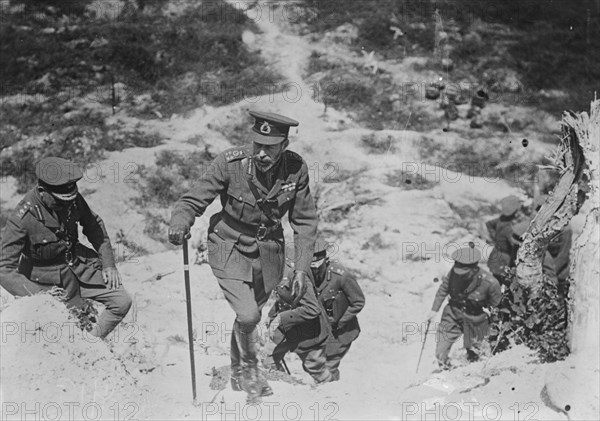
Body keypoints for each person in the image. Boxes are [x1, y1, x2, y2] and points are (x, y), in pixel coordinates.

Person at [168, 110, 318, 400]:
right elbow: (193, 199)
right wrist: (180, 220)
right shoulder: (230, 162)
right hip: (229, 244)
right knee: (248, 314)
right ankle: (250, 372)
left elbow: (305, 221)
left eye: (270, 147)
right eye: (258, 145)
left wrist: (300, 269)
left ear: (284, 146)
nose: (262, 153)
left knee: (251, 315)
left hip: (269, 250)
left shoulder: (295, 168)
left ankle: (237, 372)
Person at [0, 157, 132, 338]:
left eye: (70, 200)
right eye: (61, 202)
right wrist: (37, 296)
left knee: (121, 301)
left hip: (77, 267)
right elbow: (4, 268)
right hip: (44, 281)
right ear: (42, 191)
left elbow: (94, 225)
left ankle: (93, 343)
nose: (68, 205)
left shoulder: (70, 198)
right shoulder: (23, 218)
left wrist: (109, 264)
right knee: (63, 328)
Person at [427, 245, 502, 368]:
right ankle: (446, 371)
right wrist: (434, 310)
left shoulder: (490, 283)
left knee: (475, 355)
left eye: (464, 273)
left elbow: (496, 308)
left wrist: (493, 329)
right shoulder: (454, 272)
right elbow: (443, 289)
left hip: (476, 319)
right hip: (452, 314)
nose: (460, 275)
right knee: (440, 353)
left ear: (474, 268)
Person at [310, 239, 365, 381]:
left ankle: (330, 394)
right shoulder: (305, 275)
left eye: (317, 264)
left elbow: (358, 302)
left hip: (340, 332)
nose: (314, 269)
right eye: (311, 265)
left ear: (326, 259)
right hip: (318, 331)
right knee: (317, 365)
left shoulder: (341, 275)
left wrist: (340, 322)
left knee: (329, 365)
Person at [264, 274, 332, 384]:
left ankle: (331, 392)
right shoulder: (277, 271)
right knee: (269, 358)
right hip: (287, 328)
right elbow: (282, 298)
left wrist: (281, 318)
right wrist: (271, 315)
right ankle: (283, 384)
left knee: (314, 368)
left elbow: (312, 309)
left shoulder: (299, 277)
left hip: (308, 331)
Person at [486, 195, 522, 285]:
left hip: (496, 253)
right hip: (505, 258)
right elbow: (513, 244)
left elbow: (489, 224)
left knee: (496, 279)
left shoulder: (501, 219)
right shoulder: (509, 228)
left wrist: (495, 236)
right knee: (505, 281)